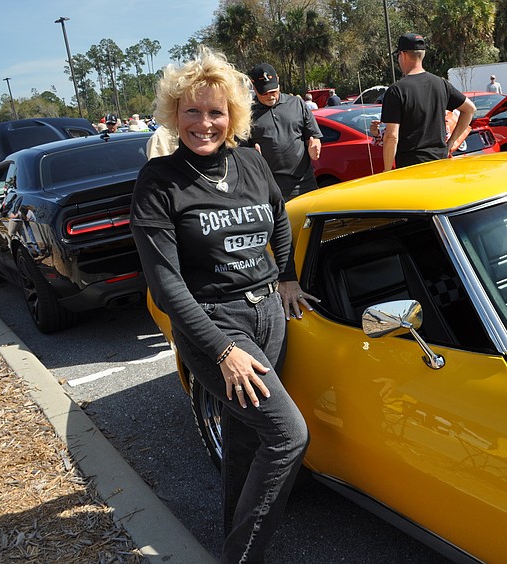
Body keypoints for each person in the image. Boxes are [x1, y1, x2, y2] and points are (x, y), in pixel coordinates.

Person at [130, 45, 313, 564]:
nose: (204, 123)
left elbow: (279, 218)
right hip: (215, 325)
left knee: (246, 441)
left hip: (268, 315)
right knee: (286, 435)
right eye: (192, 110)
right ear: (173, 114)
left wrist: (288, 277)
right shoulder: (158, 183)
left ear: (233, 114)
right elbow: (166, 286)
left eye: (215, 111)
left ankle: (229, 536)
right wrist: (220, 350)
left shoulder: (251, 163)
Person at [379, 32, 476, 171]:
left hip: (412, 167)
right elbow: (470, 109)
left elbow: (392, 136)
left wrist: (387, 171)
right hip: (440, 163)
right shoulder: (441, 84)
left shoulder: (396, 90)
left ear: (403, 55)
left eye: (398, 56)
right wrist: (451, 143)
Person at [246, 62, 322, 200]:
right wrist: (251, 155)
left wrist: (315, 147)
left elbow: (313, 136)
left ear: (278, 81)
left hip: (304, 185)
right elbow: (240, 150)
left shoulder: (297, 104)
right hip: (269, 189)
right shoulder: (246, 113)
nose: (270, 96)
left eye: (274, 91)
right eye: (265, 93)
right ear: (254, 87)